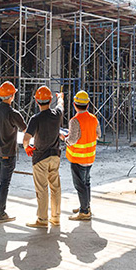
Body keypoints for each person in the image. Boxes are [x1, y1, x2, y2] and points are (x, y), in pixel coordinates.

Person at [23, 86, 64, 228]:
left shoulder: (35, 118)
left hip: (40, 158)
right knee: (55, 188)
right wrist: (60, 97)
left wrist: (27, 147)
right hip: (55, 156)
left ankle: (42, 219)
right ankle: (56, 217)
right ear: (50, 99)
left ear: (36, 100)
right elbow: (61, 105)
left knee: (42, 189)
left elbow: (26, 138)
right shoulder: (57, 114)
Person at [0, 81, 26, 223]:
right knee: (4, 183)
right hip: (7, 153)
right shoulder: (13, 113)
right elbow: (26, 130)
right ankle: (1, 213)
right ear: (11, 96)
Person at [61, 90, 101, 221]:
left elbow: (72, 140)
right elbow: (98, 134)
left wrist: (64, 138)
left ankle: (84, 211)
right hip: (90, 157)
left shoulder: (75, 120)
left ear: (74, 104)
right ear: (88, 104)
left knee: (80, 185)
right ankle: (86, 206)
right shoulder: (94, 118)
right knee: (86, 182)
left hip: (78, 158)